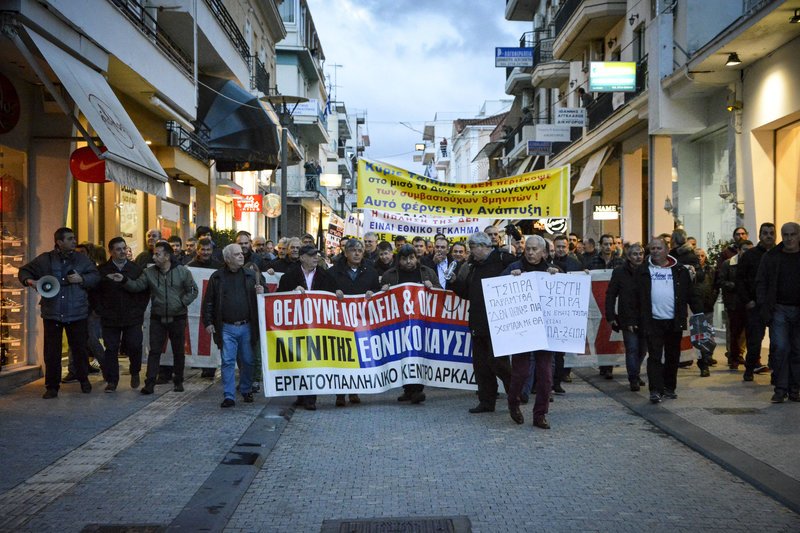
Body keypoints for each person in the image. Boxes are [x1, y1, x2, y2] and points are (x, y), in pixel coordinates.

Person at [19, 227, 100, 398]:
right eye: (70, 238)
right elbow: (24, 270)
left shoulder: (81, 259)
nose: (74, 241)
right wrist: (29, 281)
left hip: (77, 312)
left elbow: (96, 276)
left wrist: (82, 279)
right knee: (52, 352)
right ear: (59, 242)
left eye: (74, 238)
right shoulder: (45, 259)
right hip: (52, 312)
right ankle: (52, 386)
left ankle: (84, 380)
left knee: (79, 350)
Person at [109, 241, 198, 394]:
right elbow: (137, 286)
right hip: (158, 318)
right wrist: (124, 280)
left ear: (167, 256)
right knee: (154, 351)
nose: (154, 257)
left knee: (178, 351)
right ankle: (149, 383)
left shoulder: (182, 272)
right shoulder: (149, 273)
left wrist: (182, 303)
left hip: (178, 317)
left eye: (158, 254)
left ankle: (178, 381)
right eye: (154, 254)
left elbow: (193, 290)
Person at [449, 232, 512, 416]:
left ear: (483, 247)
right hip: (477, 322)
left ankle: (515, 392)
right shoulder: (472, 267)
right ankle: (486, 401)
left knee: (498, 362)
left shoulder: (502, 259)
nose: (471, 252)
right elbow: (468, 293)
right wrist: (454, 283)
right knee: (481, 365)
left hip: (498, 322)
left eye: (473, 248)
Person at [501, 235, 560, 429]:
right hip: (522, 331)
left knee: (546, 376)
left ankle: (540, 415)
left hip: (545, 332)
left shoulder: (552, 271)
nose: (531, 252)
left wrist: (557, 276)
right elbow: (497, 289)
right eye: (528, 249)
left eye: (535, 249)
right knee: (521, 373)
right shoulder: (514, 268)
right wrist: (509, 280)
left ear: (544, 252)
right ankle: (513, 403)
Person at [636, 237, 702, 403]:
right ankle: (655, 390)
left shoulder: (680, 270)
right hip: (653, 321)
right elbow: (634, 297)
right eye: (652, 249)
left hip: (675, 321)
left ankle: (669, 387)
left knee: (673, 356)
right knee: (655, 357)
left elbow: (691, 294)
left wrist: (699, 314)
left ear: (666, 250)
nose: (655, 252)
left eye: (659, 248)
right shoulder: (643, 270)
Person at [202, 244, 265, 408]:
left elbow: (264, 301)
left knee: (248, 361)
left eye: (241, 253)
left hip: (247, 326)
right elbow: (209, 301)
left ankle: (245, 389)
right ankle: (229, 395)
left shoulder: (251, 275)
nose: (241, 256)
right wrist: (208, 322)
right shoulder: (217, 277)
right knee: (228, 361)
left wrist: (261, 292)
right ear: (227, 258)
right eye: (236, 254)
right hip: (226, 327)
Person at [277, 245, 338, 410]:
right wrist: (291, 292)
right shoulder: (289, 277)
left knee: (313, 361)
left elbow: (333, 295)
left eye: (317, 255)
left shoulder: (326, 276)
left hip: (318, 327)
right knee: (299, 361)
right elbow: (278, 297)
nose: (315, 258)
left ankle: (311, 398)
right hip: (297, 327)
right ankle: (301, 395)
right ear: (302, 257)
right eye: (311, 255)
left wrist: (338, 294)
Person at [380, 244, 440, 405]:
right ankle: (408, 389)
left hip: (421, 322)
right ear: (399, 260)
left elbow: (441, 295)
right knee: (403, 356)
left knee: (418, 355)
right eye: (405, 258)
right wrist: (382, 290)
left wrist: (432, 287)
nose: (408, 261)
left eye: (411, 258)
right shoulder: (390, 275)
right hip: (399, 324)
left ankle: (417, 390)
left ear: (416, 258)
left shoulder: (427, 272)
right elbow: (380, 300)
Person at [328, 239, 381, 406]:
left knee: (357, 355)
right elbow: (324, 292)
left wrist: (375, 293)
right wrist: (332, 292)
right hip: (340, 321)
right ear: (345, 253)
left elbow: (377, 291)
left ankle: (354, 390)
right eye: (353, 250)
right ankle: (340, 393)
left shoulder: (371, 272)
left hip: (362, 321)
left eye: (360, 250)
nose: (357, 253)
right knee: (341, 357)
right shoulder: (334, 272)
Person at [94, 237, 149, 391]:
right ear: (111, 252)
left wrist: (139, 310)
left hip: (132, 316)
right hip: (110, 317)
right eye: (118, 249)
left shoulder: (135, 269)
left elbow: (144, 291)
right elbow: (95, 293)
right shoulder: (103, 270)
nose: (122, 252)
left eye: (124, 248)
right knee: (111, 348)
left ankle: (135, 371)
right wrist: (100, 310)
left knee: (135, 345)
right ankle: (112, 380)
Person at [755, 222, 800, 403]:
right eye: (785, 235)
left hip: (799, 311)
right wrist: (763, 304)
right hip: (778, 309)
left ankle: (795, 388)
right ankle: (780, 388)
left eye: (793, 234)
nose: (789, 238)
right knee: (780, 348)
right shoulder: (771, 257)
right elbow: (761, 281)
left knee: (797, 350)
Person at [737, 222, 777, 381]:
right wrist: (747, 301)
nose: (768, 236)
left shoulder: (779, 254)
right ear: (760, 235)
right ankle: (749, 369)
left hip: (775, 304)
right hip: (755, 304)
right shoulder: (750, 255)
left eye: (771, 233)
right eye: (765, 233)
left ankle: (776, 372)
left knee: (777, 341)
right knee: (754, 340)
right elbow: (740, 280)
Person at [605, 243, 646, 391]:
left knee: (642, 350)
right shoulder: (619, 272)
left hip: (645, 318)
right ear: (628, 256)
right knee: (632, 349)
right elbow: (610, 295)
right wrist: (610, 316)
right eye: (635, 254)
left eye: (641, 253)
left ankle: (636, 372)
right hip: (628, 317)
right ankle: (633, 378)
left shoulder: (648, 270)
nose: (638, 256)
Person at [717, 239, 753, 369]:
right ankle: (733, 358)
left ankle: (746, 357)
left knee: (749, 333)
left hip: (749, 303)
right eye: (745, 250)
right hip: (734, 304)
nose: (748, 253)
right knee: (735, 332)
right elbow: (721, 281)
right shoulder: (728, 264)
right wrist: (734, 285)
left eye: (750, 250)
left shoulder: (753, 264)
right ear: (738, 250)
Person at [694, 248, 719, 376]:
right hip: (695, 308)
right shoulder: (691, 270)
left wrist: (712, 299)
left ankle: (707, 356)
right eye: (697, 255)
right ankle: (703, 362)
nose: (699, 258)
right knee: (700, 336)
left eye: (702, 255)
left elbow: (716, 286)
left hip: (708, 306)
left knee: (708, 334)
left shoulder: (711, 270)